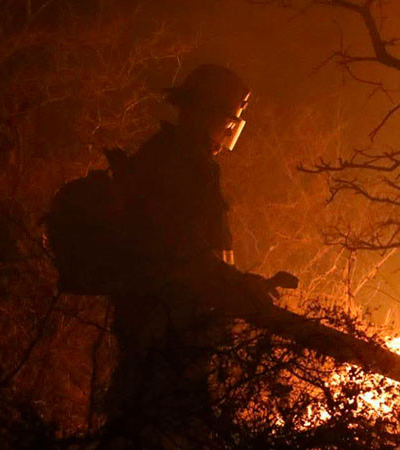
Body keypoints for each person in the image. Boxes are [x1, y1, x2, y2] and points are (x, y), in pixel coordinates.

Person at [98, 65, 278, 447]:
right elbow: (185, 255)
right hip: (167, 331)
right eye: (228, 121)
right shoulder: (181, 165)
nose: (228, 133)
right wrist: (240, 286)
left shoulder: (173, 157)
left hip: (171, 330)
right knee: (162, 431)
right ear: (206, 113)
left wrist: (240, 286)